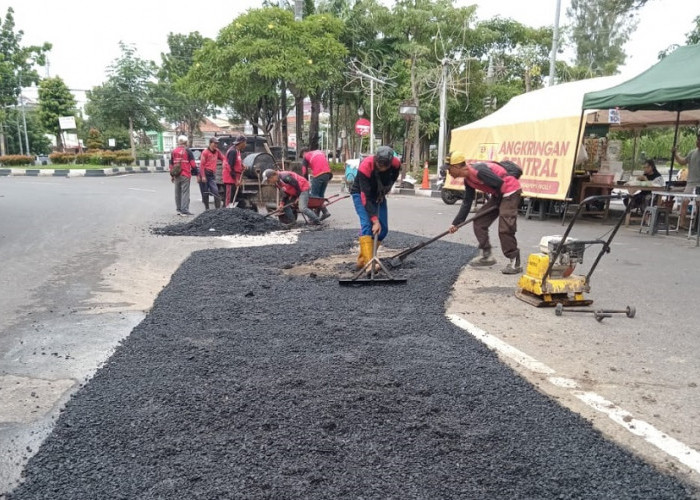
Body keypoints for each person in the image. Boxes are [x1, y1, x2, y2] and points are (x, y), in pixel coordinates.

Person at [447, 152, 523, 274]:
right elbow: (467, 202)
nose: (449, 173)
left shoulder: (479, 171)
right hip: (499, 195)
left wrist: (498, 204)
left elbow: (500, 184)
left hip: (510, 192)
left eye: (449, 169)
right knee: (479, 221)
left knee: (505, 227)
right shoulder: (468, 180)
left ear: (456, 167)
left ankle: (515, 262)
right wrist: (456, 223)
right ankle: (487, 255)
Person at [349, 145, 402, 269]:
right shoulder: (365, 166)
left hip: (379, 194)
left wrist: (383, 191)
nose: (382, 168)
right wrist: (375, 220)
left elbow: (392, 179)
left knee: (382, 230)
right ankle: (370, 263)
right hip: (361, 194)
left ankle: (363, 260)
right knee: (367, 225)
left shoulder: (395, 164)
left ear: (390, 163)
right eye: (379, 165)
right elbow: (365, 197)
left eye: (385, 166)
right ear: (376, 160)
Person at [672, 132, 700, 228]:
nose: (698, 142)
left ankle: (696, 225)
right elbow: (682, 161)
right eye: (697, 139)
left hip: (699, 184)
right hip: (690, 182)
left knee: (698, 204)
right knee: (684, 202)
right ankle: (681, 223)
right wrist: (675, 154)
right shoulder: (692, 152)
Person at [300, 147, 332, 220]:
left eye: (302, 156)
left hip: (318, 174)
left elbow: (304, 171)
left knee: (314, 197)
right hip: (327, 174)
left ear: (304, 153)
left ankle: (315, 217)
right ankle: (321, 213)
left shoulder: (306, 156)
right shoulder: (319, 152)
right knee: (320, 196)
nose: (303, 158)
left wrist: (305, 182)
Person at [169, 135, 196, 216]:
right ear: (186, 142)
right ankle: (184, 210)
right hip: (185, 174)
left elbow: (171, 164)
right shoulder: (188, 151)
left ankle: (179, 209)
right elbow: (193, 164)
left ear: (179, 142)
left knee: (177, 192)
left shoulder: (174, 151)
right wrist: (197, 172)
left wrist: (172, 175)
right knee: (185, 192)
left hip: (177, 174)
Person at [198, 137, 225, 210]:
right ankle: (207, 208)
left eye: (217, 143)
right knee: (205, 192)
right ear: (210, 143)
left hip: (212, 174)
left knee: (215, 192)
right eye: (215, 143)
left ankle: (217, 210)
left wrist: (226, 162)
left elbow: (223, 158)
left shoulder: (217, 151)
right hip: (205, 173)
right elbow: (202, 165)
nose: (216, 145)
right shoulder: (205, 152)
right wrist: (203, 176)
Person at [223, 134, 247, 207]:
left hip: (236, 178)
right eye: (245, 143)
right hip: (230, 179)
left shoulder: (238, 151)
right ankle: (227, 212)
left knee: (236, 198)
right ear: (241, 142)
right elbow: (230, 167)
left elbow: (237, 162)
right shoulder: (232, 151)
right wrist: (236, 180)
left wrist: (242, 166)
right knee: (230, 199)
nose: (245, 145)